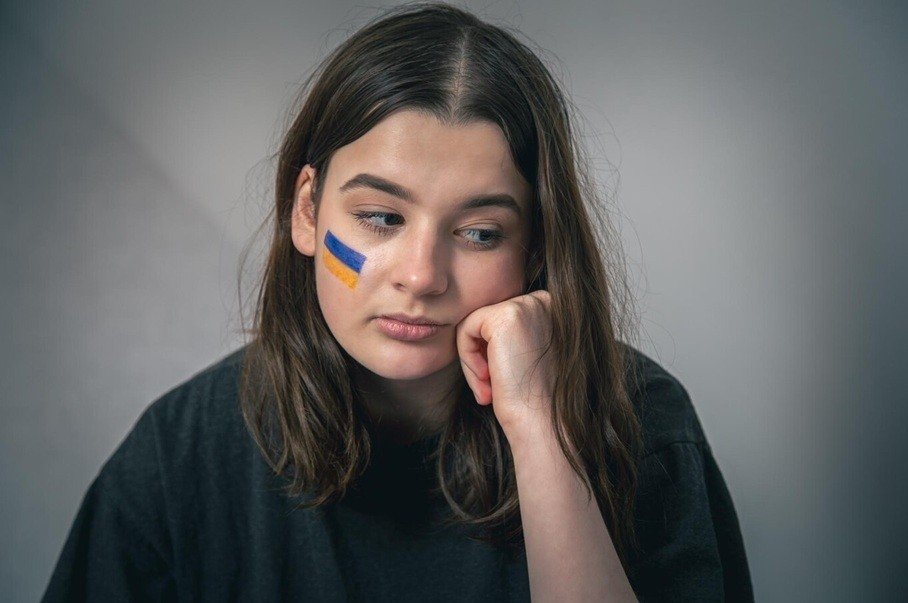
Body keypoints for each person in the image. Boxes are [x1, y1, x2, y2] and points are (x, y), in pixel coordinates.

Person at [41, 2, 753, 601]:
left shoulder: (644, 422)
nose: (421, 275)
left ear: (535, 247)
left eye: (479, 233)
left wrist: (541, 430)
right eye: (381, 218)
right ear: (308, 211)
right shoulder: (181, 455)